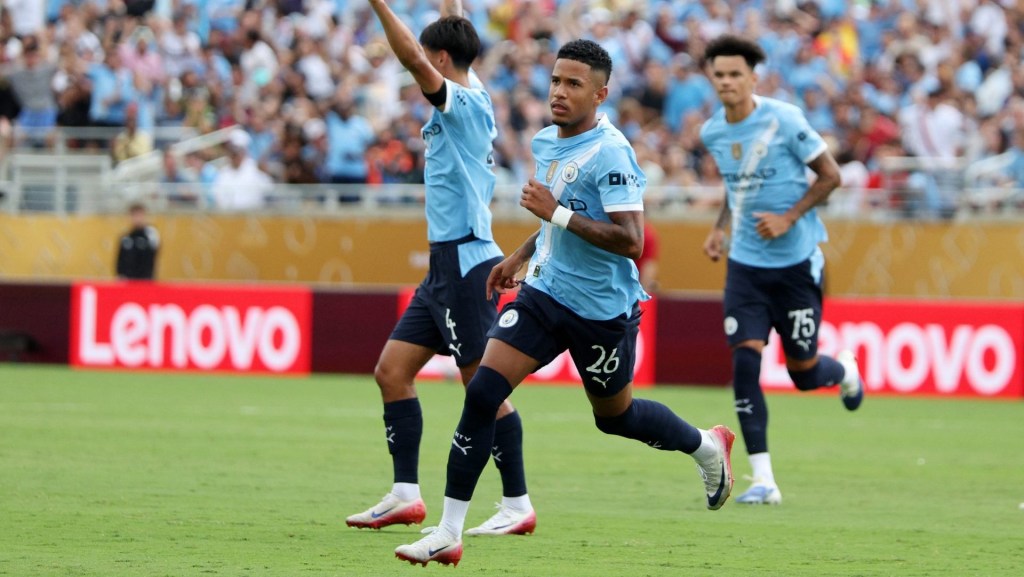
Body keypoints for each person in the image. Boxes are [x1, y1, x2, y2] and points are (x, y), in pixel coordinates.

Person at [393, 38, 736, 568]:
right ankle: (448, 532)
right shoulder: (548, 140)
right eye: (555, 80)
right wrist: (521, 254)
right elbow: (562, 213)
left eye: (574, 84)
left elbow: (631, 242)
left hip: (600, 312)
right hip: (545, 293)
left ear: (600, 94)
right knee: (482, 391)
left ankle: (704, 445)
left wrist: (552, 216)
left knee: (615, 418)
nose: (559, 91)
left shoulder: (612, 152)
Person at [346, 0, 536, 538]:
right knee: (391, 372)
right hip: (443, 267)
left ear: (443, 59)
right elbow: (453, 27)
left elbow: (411, 55)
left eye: (432, 59)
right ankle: (405, 494)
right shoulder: (468, 85)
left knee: (482, 386)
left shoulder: (463, 103)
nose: (421, 66)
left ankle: (517, 503)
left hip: (466, 261)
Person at [699, 35, 864, 506]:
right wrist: (720, 229)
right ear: (711, 79)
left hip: (796, 267)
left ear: (753, 77)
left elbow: (831, 175)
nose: (728, 81)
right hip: (745, 268)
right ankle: (763, 479)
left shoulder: (784, 119)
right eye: (720, 74)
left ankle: (845, 370)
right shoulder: (714, 132)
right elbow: (738, 187)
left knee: (804, 374)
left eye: (736, 74)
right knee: (745, 363)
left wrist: (789, 217)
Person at [115, 202, 159, 280]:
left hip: (145, 281)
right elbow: (120, 261)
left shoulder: (150, 236)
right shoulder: (126, 238)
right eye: (134, 215)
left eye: (139, 215)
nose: (137, 219)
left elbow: (152, 257)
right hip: (129, 281)